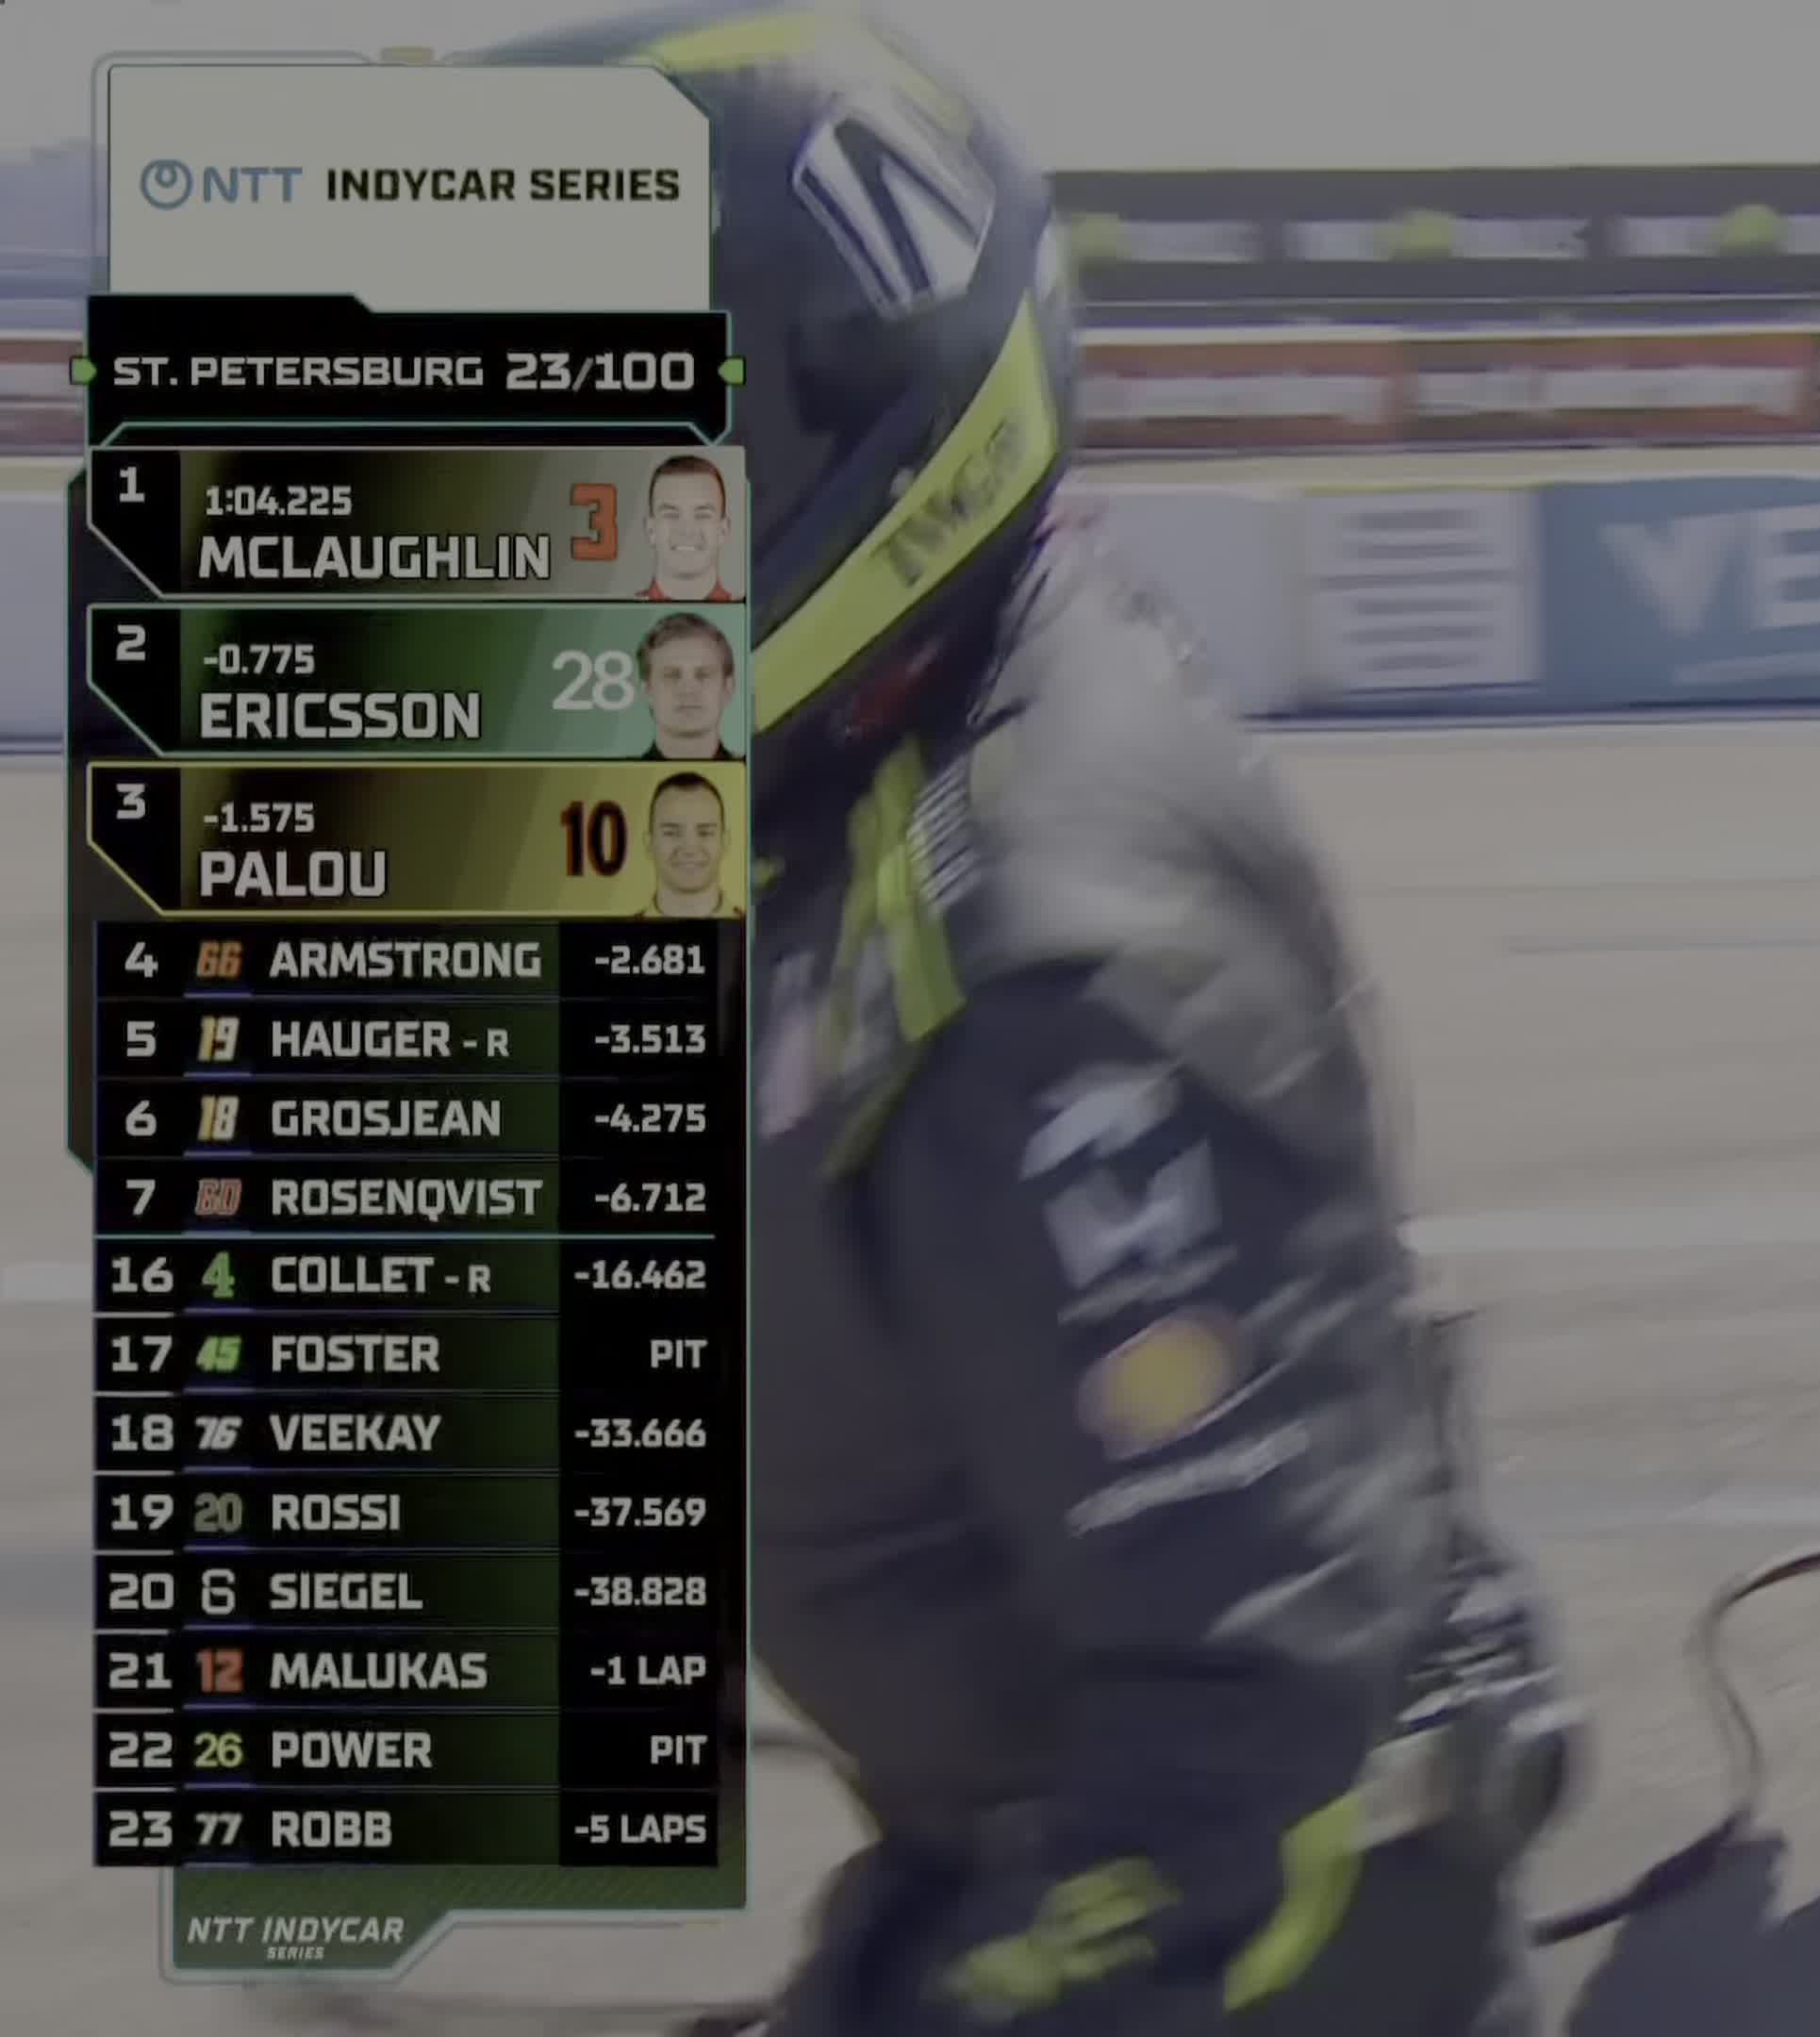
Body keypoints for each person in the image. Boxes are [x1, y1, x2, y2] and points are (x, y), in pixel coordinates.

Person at [481, 9, 1566, 2035]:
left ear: (839, 414)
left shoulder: (1052, 984)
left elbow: (1256, 1742)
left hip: (1238, 1953)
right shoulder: (886, 733)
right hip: (1022, 1835)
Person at [637, 611, 742, 760]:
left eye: (703, 675)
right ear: (648, 690)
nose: (688, 690)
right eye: (671, 675)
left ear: (728, 688)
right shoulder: (615, 775)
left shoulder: (758, 772)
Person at [639, 453, 742, 601]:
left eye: (702, 515)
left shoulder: (756, 612)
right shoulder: (618, 613)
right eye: (671, 514)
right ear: (651, 530)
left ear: (723, 530)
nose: (687, 530)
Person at [637, 770, 734, 919]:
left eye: (705, 833)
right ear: (649, 844)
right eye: (672, 833)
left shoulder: (756, 929)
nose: (690, 849)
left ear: (725, 843)